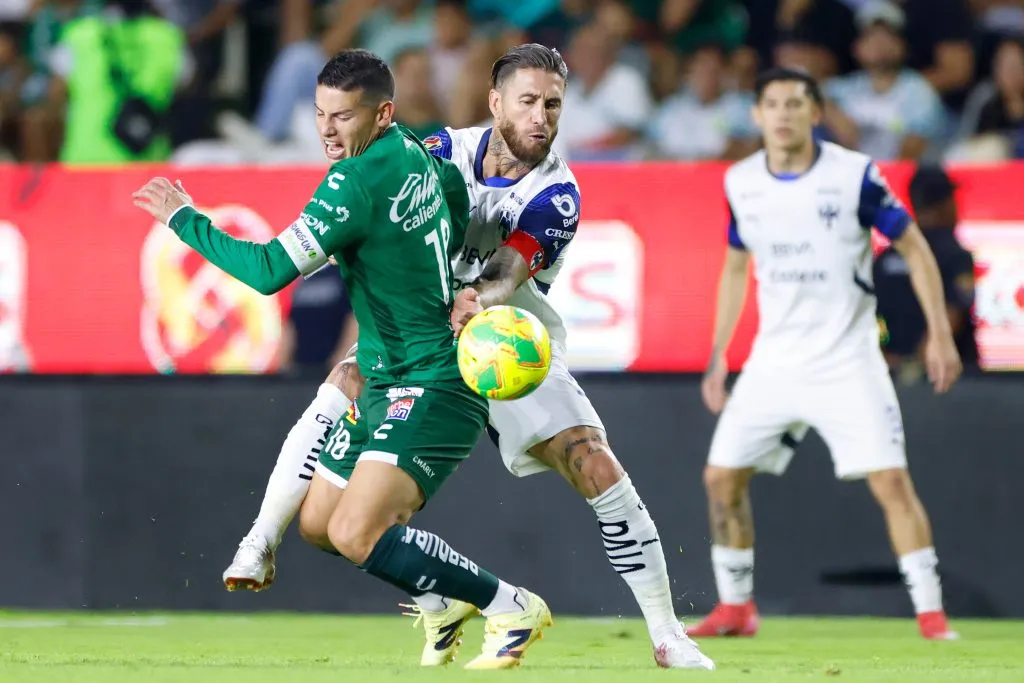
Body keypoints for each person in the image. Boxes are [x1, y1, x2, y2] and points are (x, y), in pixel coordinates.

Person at [222, 43, 714, 671]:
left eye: (554, 105)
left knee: (594, 463)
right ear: (495, 102)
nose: (542, 117)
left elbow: (511, 266)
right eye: (529, 101)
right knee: (338, 398)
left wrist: (478, 296)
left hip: (507, 343)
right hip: (424, 337)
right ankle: (274, 544)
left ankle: (668, 633)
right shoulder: (440, 153)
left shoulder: (557, 192)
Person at [132, 48, 553, 670]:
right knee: (318, 524)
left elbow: (271, 270)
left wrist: (183, 220)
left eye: (344, 117)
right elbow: (455, 203)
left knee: (357, 533)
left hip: (435, 379)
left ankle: (511, 603)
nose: (328, 131)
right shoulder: (414, 151)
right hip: (385, 374)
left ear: (381, 113)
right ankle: (439, 597)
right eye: (320, 115)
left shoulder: (352, 182)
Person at [688, 67, 962, 641]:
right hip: (773, 361)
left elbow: (912, 246)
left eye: (796, 103)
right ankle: (736, 607)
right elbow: (737, 265)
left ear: (816, 114)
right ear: (758, 115)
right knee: (720, 478)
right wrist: (720, 354)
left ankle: (932, 615)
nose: (783, 114)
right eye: (772, 104)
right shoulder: (741, 182)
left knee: (890, 481)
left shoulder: (854, 176)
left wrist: (940, 331)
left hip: (848, 359)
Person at [874, 165, 979, 376]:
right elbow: (954, 311)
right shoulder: (954, 254)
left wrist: (885, 354)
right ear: (945, 204)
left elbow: (873, 316)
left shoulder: (887, 257)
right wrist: (923, 356)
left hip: (893, 374)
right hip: (949, 374)